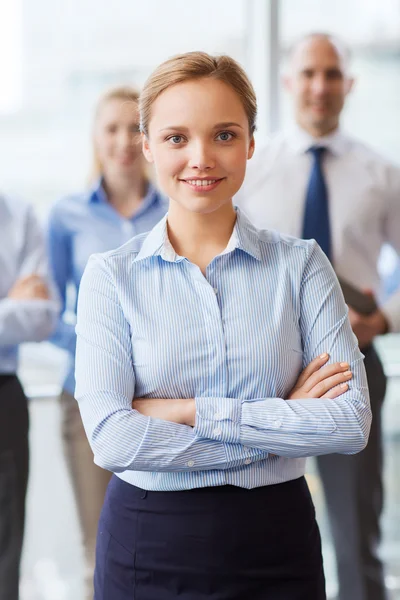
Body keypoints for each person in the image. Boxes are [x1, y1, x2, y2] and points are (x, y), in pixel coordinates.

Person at [75, 51, 371, 600]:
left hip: (276, 541)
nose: (201, 157)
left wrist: (191, 413)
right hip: (149, 542)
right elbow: (112, 438)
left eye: (225, 135)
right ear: (147, 147)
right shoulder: (111, 277)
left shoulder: (302, 265)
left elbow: (348, 424)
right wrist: (278, 427)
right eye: (176, 138)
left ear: (251, 144)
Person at [235, 33, 400, 600]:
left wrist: (383, 321)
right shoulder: (252, 170)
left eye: (331, 74)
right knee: (254, 528)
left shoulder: (381, 173)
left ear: (348, 85)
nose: (319, 86)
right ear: (288, 82)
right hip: (262, 371)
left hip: (352, 366)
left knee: (357, 536)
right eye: (308, 73)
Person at [46, 86, 167, 600]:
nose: (122, 141)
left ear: (150, 139)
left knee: (163, 545)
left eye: (134, 128)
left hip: (166, 399)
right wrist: (103, 340)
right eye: (111, 129)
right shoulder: (66, 215)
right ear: (96, 139)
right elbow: (50, 313)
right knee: (100, 546)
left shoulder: (176, 208)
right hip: (88, 400)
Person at [0, 194, 58, 600]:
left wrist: (23, 309)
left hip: (3, 394)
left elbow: (41, 318)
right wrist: (9, 307)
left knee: (4, 550)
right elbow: (21, 313)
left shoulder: (19, 215)